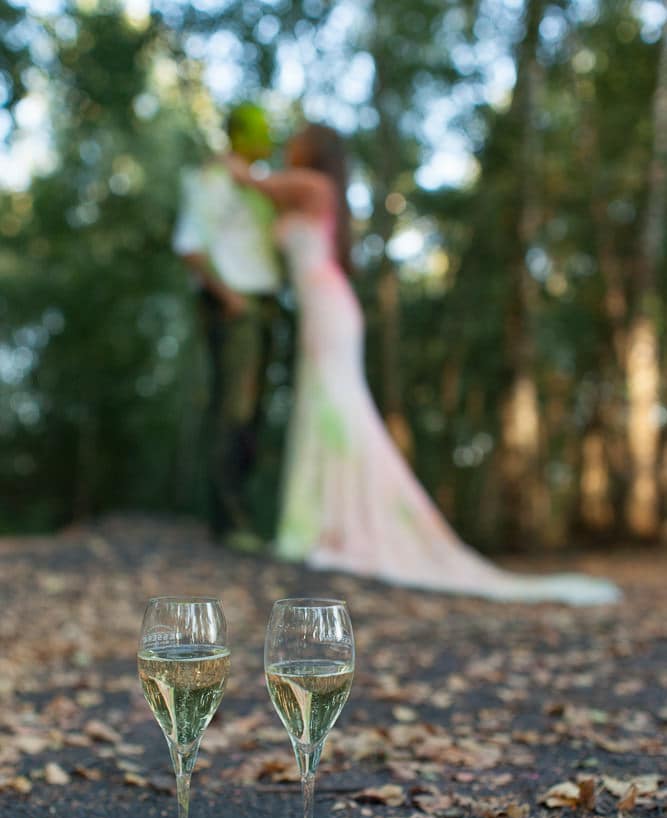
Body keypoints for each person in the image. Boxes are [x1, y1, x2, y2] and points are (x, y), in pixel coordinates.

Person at [228, 124, 619, 604]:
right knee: (324, 414)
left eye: (298, 140)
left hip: (329, 309)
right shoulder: (306, 195)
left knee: (339, 413)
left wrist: (232, 160)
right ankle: (320, 524)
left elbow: (250, 183)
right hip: (318, 312)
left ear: (315, 150)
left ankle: (338, 526)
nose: (290, 144)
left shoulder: (313, 186)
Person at [173, 104, 281, 539]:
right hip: (236, 305)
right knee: (234, 409)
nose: (268, 135)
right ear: (238, 133)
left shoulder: (257, 183)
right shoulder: (214, 179)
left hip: (264, 305)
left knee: (251, 413)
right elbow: (190, 246)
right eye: (259, 128)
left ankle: (239, 516)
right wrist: (231, 298)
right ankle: (228, 520)